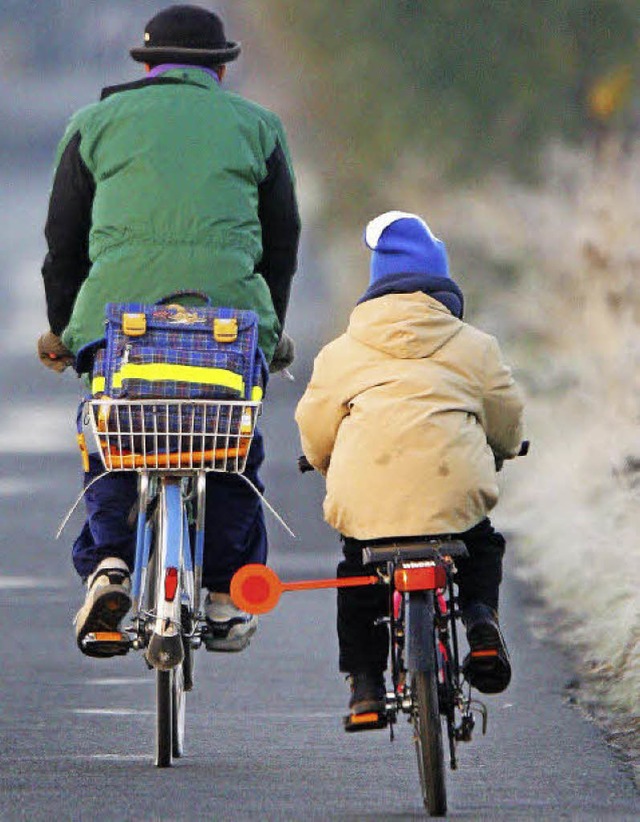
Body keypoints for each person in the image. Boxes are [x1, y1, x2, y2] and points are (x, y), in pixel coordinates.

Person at [37, 5, 300, 655]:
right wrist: (269, 330)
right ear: (219, 69)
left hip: (117, 320)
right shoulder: (258, 126)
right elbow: (282, 242)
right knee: (235, 449)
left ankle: (109, 565)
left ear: (148, 66)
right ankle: (220, 592)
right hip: (227, 321)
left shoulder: (92, 123)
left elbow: (62, 243)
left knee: (110, 431)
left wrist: (65, 333)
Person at [295, 211, 524, 715]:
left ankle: (365, 686)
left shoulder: (342, 352)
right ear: (443, 286)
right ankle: (481, 618)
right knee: (481, 544)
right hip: (453, 493)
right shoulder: (475, 347)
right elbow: (506, 416)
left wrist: (321, 460)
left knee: (357, 570)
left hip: (370, 502)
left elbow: (314, 426)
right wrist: (505, 448)